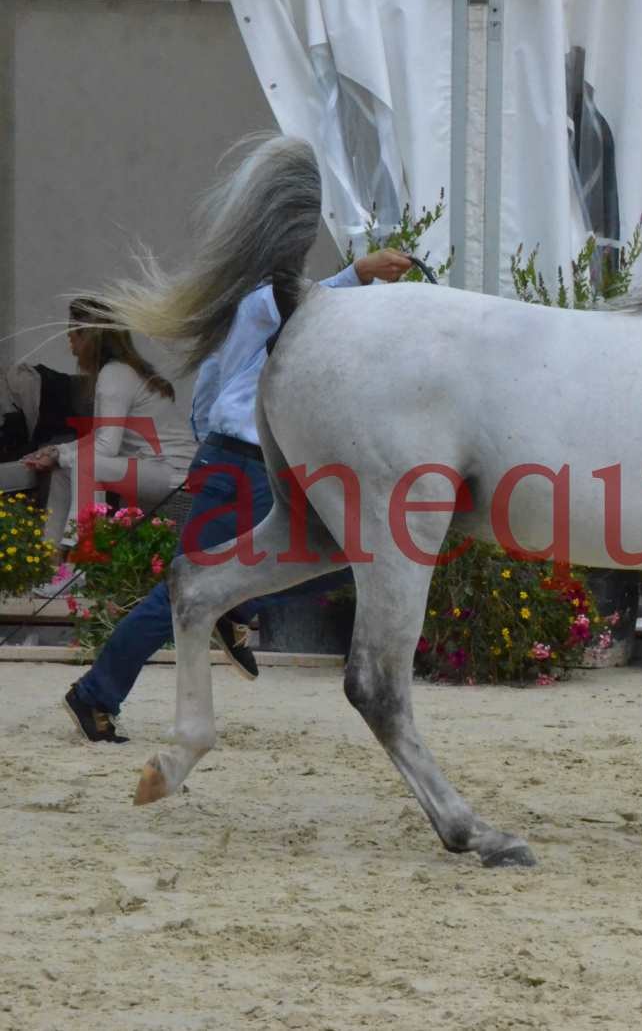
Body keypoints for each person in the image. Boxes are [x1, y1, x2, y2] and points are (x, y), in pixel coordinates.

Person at [62, 248, 413, 743]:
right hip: (237, 465)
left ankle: (234, 602)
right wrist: (358, 273)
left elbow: (207, 389)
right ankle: (96, 694)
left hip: (250, 466)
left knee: (336, 560)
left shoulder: (249, 315)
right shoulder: (260, 301)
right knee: (179, 598)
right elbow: (314, 304)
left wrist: (212, 447)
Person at [16, 301, 196, 574]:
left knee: (85, 465)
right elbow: (102, 438)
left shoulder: (115, 374)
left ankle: (80, 560)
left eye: (71, 333)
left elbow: (105, 448)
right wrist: (56, 453)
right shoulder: (119, 371)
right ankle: (48, 563)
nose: (69, 342)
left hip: (175, 475)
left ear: (88, 338)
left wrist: (62, 454)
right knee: (65, 470)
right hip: (155, 469)